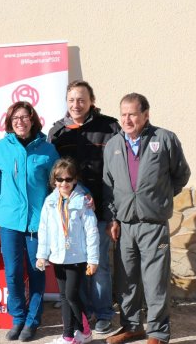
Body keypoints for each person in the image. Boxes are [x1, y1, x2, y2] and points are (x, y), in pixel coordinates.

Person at [103, 93, 191, 344]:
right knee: (126, 280)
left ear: (146, 115)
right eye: (123, 114)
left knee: (155, 281)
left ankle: (158, 332)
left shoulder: (164, 139)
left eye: (132, 114)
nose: (127, 119)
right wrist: (113, 218)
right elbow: (108, 186)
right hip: (125, 224)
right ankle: (132, 327)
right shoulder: (113, 146)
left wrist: (159, 197)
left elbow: (181, 175)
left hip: (153, 224)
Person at [48, 81, 120, 333]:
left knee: (98, 265)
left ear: (92, 100)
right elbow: (55, 174)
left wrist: (112, 212)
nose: (76, 105)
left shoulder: (109, 127)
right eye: (71, 100)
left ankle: (103, 313)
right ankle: (85, 311)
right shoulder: (58, 131)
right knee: (76, 265)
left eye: (81, 99)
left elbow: (116, 172)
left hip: (99, 209)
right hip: (70, 214)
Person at [0, 101, 59, 342]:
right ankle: (17, 317)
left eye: (25, 117)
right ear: (10, 121)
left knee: (37, 273)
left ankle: (32, 321)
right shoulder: (0, 147)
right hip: (9, 220)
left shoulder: (47, 150)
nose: (20, 121)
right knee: (14, 273)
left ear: (33, 120)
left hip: (38, 222)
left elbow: (57, 182)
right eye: (15, 117)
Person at [36, 157, 98, 344]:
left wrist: (93, 259)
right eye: (60, 179)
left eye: (68, 179)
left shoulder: (82, 202)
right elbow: (44, 230)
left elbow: (92, 231)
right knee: (64, 297)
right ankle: (70, 336)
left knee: (71, 295)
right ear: (54, 181)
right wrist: (42, 255)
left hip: (77, 257)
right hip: (57, 256)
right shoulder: (50, 202)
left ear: (75, 180)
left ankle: (83, 331)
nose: (64, 183)